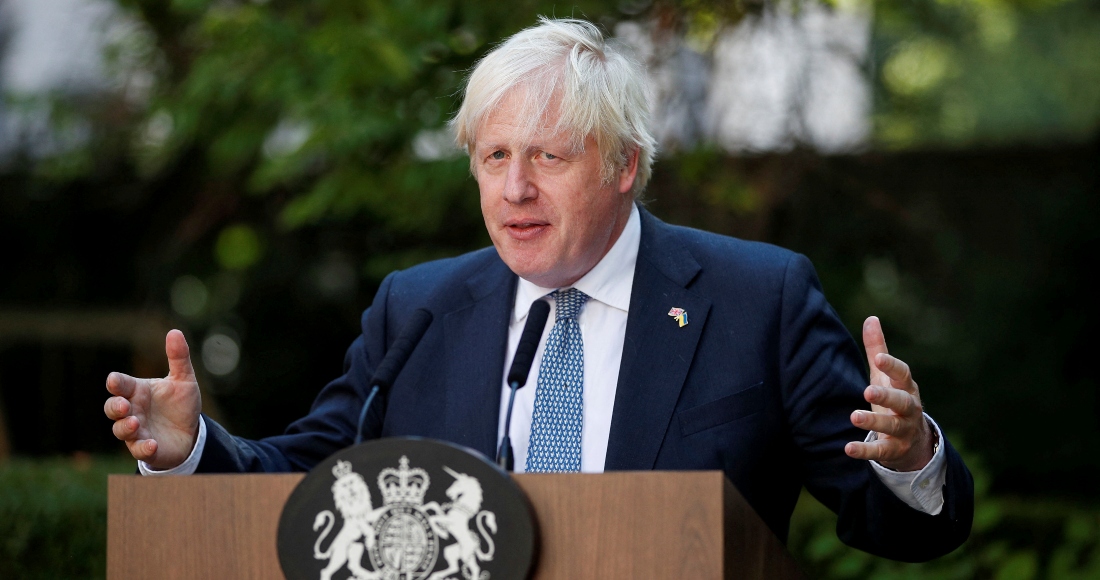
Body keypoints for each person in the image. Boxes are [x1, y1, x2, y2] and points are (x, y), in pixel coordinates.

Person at [104, 18, 972, 561]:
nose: (514, 189)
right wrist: (188, 452)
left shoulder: (757, 298)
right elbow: (313, 480)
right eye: (494, 157)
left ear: (625, 165)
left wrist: (907, 457)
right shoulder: (420, 310)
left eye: (549, 156)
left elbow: (905, 530)